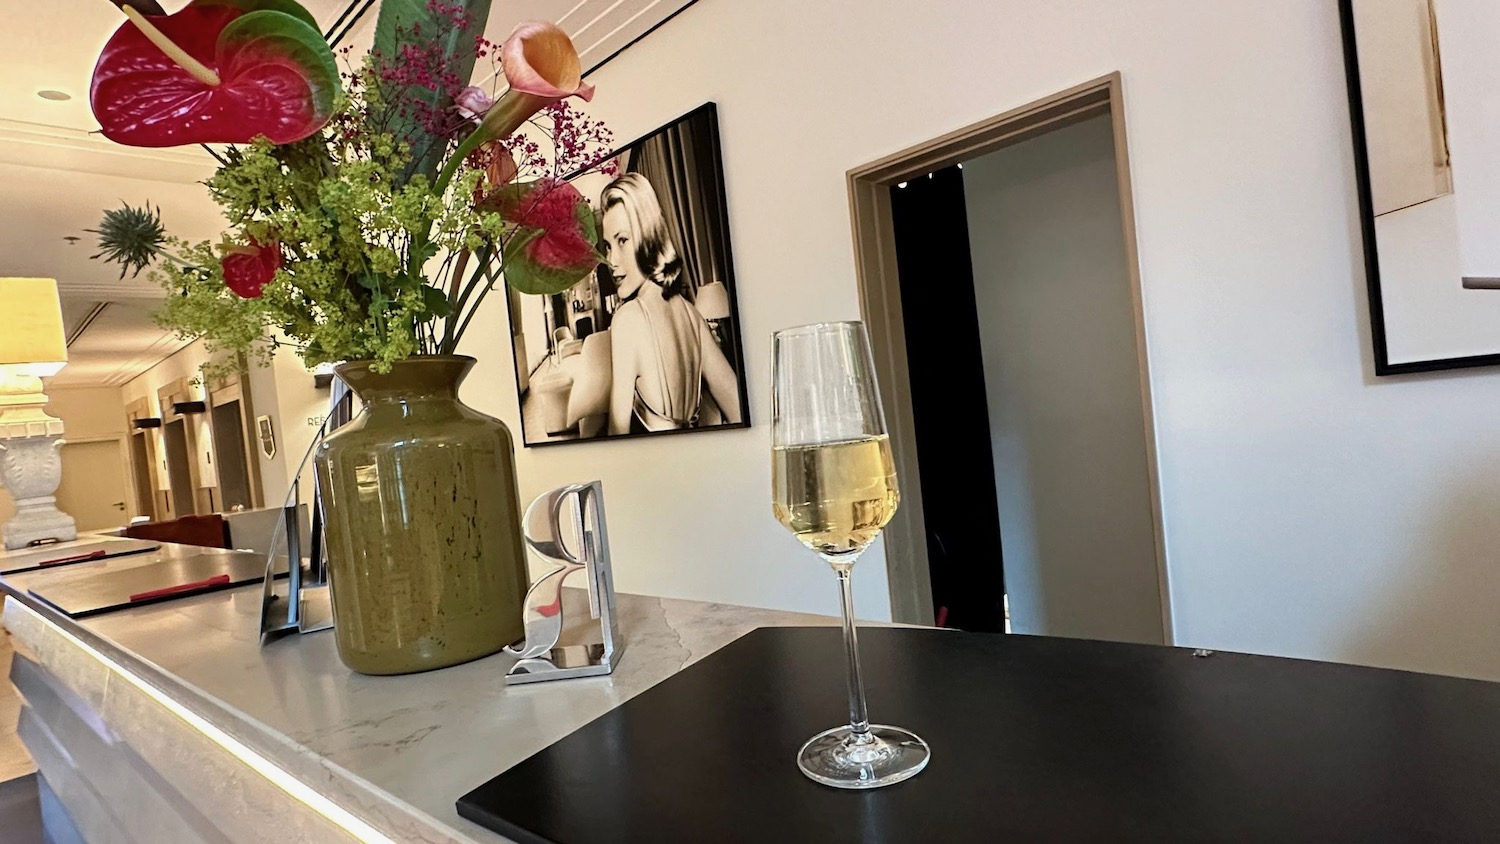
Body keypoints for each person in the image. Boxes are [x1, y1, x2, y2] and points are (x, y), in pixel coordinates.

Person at [600, 173, 742, 435]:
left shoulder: (628, 319)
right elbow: (738, 407)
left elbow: (616, 433)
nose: (612, 260)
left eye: (623, 240)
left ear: (649, 235)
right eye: (608, 246)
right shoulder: (691, 315)